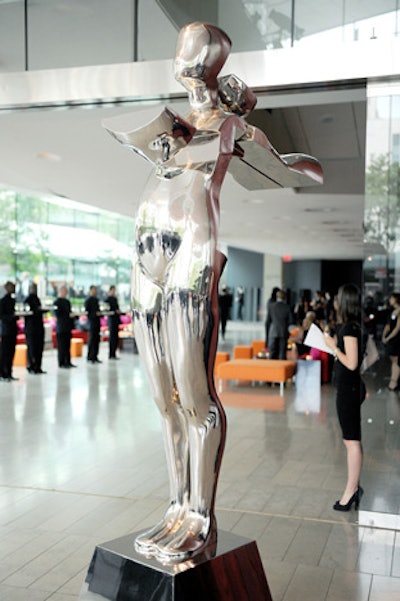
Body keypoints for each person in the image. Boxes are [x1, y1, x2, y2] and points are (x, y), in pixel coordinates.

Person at [103, 22, 322, 562]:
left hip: (193, 254)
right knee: (163, 397)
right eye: (182, 52)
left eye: (193, 54)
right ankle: (176, 505)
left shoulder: (229, 123)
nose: (184, 63)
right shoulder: (171, 129)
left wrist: (270, 142)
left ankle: (200, 513)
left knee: (195, 395)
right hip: (146, 254)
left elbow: (284, 170)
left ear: (213, 62)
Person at [324, 283, 366, 511]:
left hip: (349, 389)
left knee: (351, 441)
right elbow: (371, 355)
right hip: (351, 387)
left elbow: (351, 362)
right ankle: (353, 488)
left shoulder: (349, 329)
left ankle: (350, 493)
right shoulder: (354, 327)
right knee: (350, 439)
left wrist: (333, 346)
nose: (335, 302)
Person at [24, 283, 46, 374]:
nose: (34, 290)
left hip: (39, 327)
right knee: (32, 348)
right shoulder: (27, 300)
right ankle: (31, 366)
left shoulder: (37, 299)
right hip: (31, 328)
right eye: (33, 288)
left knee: (39, 348)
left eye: (35, 288)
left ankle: (38, 366)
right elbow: (28, 312)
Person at [54, 284, 76, 368]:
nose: (66, 292)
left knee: (67, 345)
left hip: (67, 327)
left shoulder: (67, 302)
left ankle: (68, 361)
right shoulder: (56, 302)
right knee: (61, 346)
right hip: (61, 327)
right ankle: (62, 362)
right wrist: (68, 315)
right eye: (64, 291)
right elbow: (58, 314)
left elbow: (70, 312)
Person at [0, 281, 19, 381]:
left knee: (11, 352)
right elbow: (2, 316)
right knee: (5, 352)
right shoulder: (2, 301)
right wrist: (11, 317)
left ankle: (9, 372)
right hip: (6, 330)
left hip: (12, 329)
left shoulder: (12, 300)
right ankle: (3, 373)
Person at [381, 292, 400, 390]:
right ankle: (393, 381)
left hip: (396, 339)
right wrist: (384, 335)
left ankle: (394, 382)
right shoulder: (392, 311)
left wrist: (388, 338)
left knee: (396, 360)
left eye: (392, 298)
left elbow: (397, 328)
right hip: (391, 338)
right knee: (393, 360)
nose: (390, 300)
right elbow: (388, 325)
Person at [267, 289, 291, 359]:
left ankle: (271, 368)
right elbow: (291, 321)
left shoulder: (271, 306)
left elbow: (268, 320)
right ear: (285, 297)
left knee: (272, 351)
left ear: (277, 296)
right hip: (283, 331)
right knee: (282, 352)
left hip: (273, 331)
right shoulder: (287, 307)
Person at [84, 285, 102, 364]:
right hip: (91, 322)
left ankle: (95, 356)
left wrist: (100, 313)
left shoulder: (97, 300)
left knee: (97, 340)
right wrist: (95, 314)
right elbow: (87, 312)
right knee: (91, 340)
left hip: (97, 322)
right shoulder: (88, 300)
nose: (96, 291)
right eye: (94, 289)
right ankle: (90, 357)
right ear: (91, 290)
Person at [105, 285, 121, 359]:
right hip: (111, 320)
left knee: (115, 337)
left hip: (116, 320)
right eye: (113, 290)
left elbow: (117, 308)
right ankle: (110, 354)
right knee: (112, 337)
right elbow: (106, 309)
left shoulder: (115, 299)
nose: (114, 291)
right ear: (110, 290)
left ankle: (114, 353)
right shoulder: (107, 299)